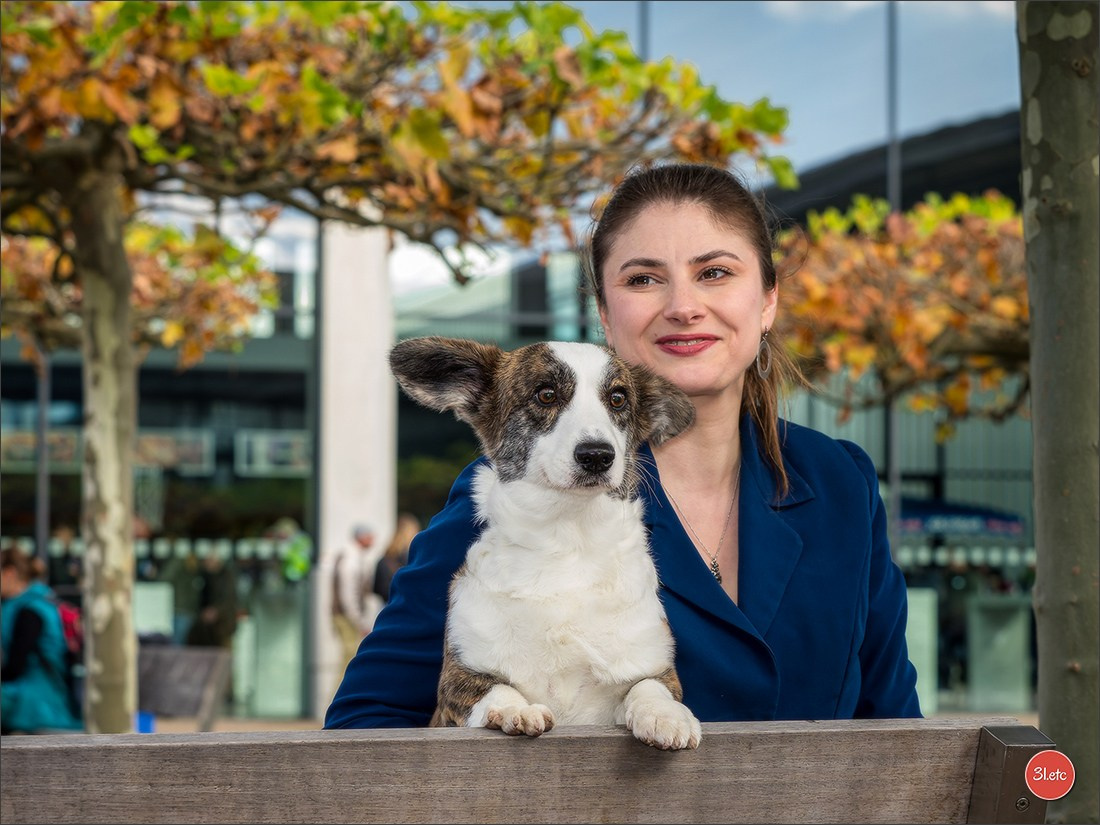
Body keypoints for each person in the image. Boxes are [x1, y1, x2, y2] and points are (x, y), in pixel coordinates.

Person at [325, 162, 921, 729]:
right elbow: (365, 723)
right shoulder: (521, 496)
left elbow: (896, 728)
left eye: (714, 272)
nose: (684, 307)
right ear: (606, 316)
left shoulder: (841, 481)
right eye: (643, 279)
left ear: (766, 300)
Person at [1, 546, 83, 733]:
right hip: (43, 701)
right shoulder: (41, 601)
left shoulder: (29, 611)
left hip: (39, 705)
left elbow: (14, 667)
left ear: (9, 573)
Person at [330, 524, 378, 676]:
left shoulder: (353, 556)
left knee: (349, 659)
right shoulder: (351, 559)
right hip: (346, 617)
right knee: (349, 660)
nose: (373, 541)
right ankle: (338, 698)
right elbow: (348, 594)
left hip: (346, 616)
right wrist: (359, 621)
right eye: (370, 537)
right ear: (362, 538)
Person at [372, 513, 420, 604]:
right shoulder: (413, 557)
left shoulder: (385, 558)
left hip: (387, 606)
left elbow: (376, 588)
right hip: (407, 606)